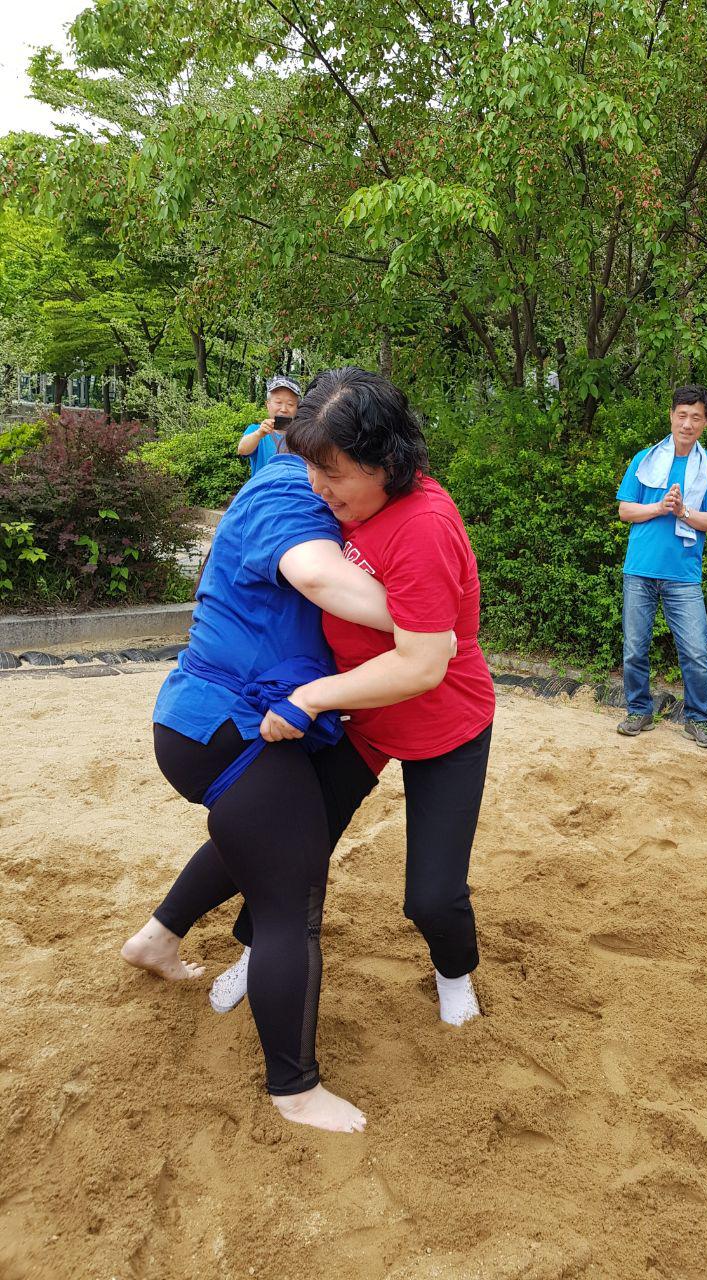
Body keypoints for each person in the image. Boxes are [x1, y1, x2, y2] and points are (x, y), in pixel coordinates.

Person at [126, 367, 496, 1132]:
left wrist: (314, 694)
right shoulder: (325, 497)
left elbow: (426, 660)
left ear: (384, 460)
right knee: (277, 847)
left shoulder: (416, 520)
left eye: (332, 471)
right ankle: (244, 961)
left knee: (426, 895)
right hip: (355, 721)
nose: (319, 485)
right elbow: (318, 576)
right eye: (313, 468)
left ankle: (454, 973)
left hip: (436, 724)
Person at [122, 441, 400, 1133]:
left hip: (236, 720)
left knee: (256, 835)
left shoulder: (315, 492)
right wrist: (432, 616)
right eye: (329, 468)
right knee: (291, 900)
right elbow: (319, 578)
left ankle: (157, 939)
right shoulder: (285, 493)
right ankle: (294, 1089)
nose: (332, 484)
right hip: (229, 724)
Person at [615, 384, 707, 748]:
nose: (687, 423)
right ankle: (639, 710)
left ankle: (698, 719)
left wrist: (684, 511)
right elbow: (624, 510)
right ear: (671, 416)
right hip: (640, 569)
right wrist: (660, 508)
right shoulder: (645, 459)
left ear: (706, 422)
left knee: (696, 651)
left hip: (683, 574)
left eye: (696, 417)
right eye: (682, 415)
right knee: (635, 647)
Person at [237, 375, 302, 476]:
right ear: (268, 404)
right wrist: (259, 434)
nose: (284, 409)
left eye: (290, 404)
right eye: (278, 402)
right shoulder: (255, 430)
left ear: (297, 408)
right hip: (264, 490)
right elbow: (242, 450)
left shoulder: (303, 435)